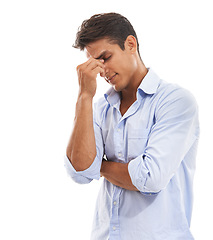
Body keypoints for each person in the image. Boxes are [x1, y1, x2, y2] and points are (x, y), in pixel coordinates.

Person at [64, 12, 200, 240]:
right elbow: (80, 172)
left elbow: (151, 178)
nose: (102, 71)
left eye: (105, 57)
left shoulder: (176, 101)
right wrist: (84, 97)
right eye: (95, 63)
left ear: (130, 44)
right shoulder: (99, 109)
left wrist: (100, 166)